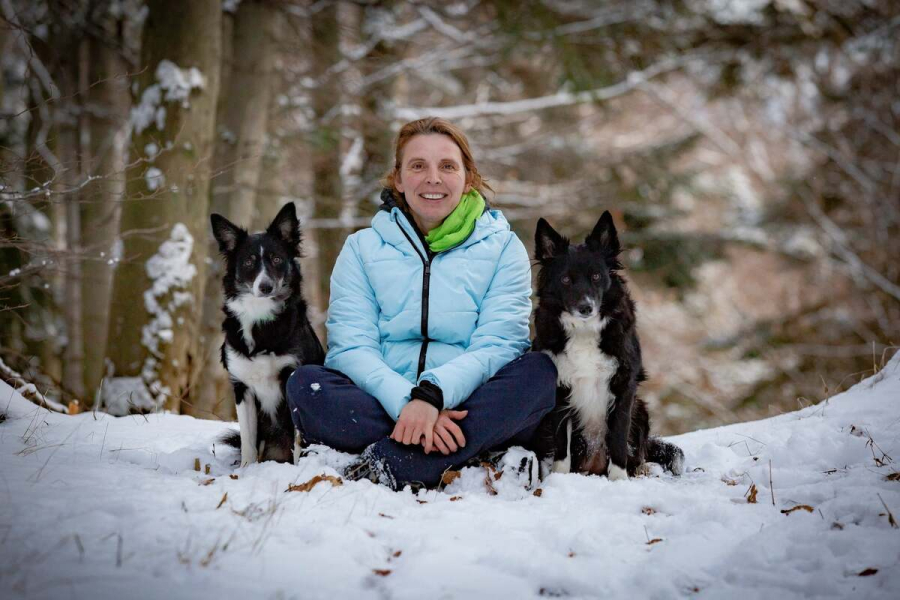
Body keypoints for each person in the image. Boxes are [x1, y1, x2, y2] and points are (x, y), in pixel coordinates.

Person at [286, 117, 557, 490]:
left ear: (468, 177)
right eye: (418, 166)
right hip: (384, 402)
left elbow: (499, 345)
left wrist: (433, 395)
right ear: (398, 178)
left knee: (539, 372)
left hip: (469, 401)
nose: (433, 178)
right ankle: (456, 452)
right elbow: (350, 349)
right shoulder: (361, 249)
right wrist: (406, 404)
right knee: (307, 385)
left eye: (447, 166)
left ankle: (393, 461)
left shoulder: (503, 247)